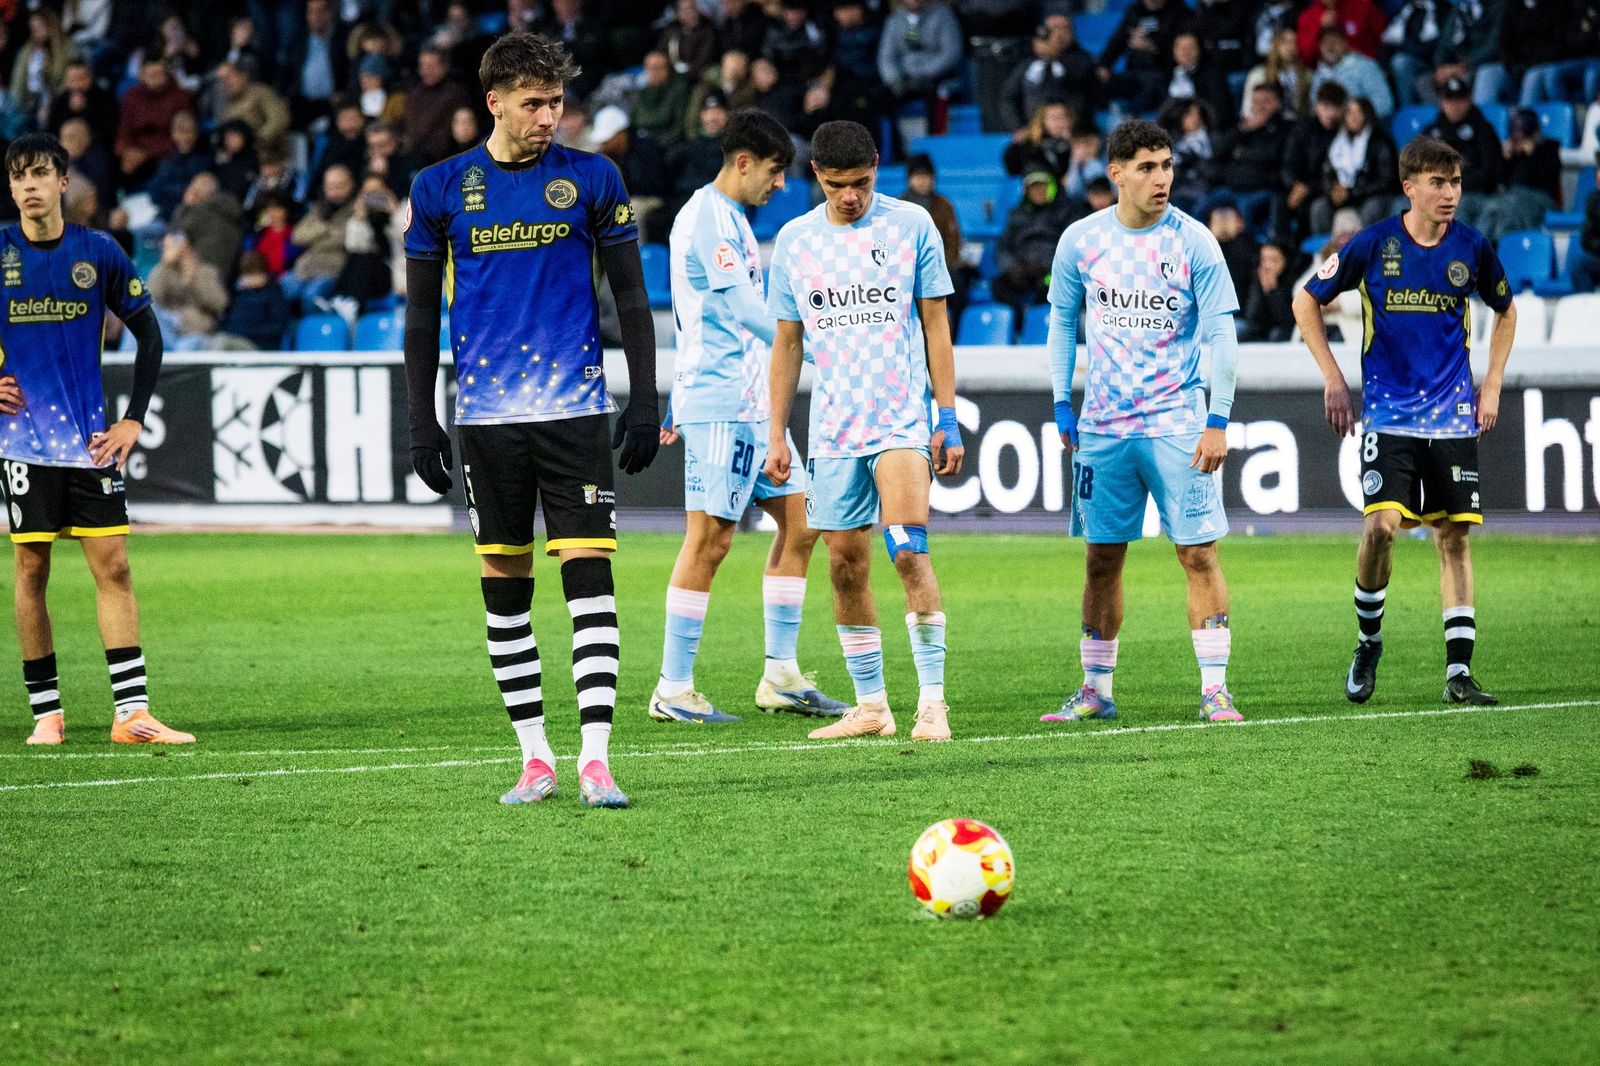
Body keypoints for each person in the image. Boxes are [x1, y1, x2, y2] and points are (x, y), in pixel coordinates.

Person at [404, 32, 658, 810]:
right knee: (505, 586)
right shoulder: (441, 188)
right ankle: (535, 758)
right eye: (534, 103)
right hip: (487, 421)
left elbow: (630, 296)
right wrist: (421, 419)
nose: (550, 117)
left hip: (575, 412)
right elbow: (420, 316)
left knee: (590, 579)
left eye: (556, 102)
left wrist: (644, 398)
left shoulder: (592, 177)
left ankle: (596, 761)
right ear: (495, 102)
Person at [1292, 137, 1516, 706]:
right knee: (1380, 528)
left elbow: (1506, 309)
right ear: (1409, 187)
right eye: (1438, 183)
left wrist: (1491, 383)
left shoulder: (1472, 247)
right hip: (1389, 416)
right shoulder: (1374, 244)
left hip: (1452, 418)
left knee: (1454, 537)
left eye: (1456, 182)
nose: (1450, 193)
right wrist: (1333, 377)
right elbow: (1305, 301)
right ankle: (1369, 641)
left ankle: (1459, 674)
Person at [1039, 120, 1244, 726]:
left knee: (1198, 553)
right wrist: (1061, 400)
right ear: (1116, 174)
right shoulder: (1081, 241)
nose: (1162, 179)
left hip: (1178, 423)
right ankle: (1095, 690)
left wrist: (1217, 418)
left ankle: (1215, 691)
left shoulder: (1195, 243)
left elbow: (1223, 335)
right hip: (1104, 427)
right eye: (1148, 168)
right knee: (1101, 558)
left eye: (1167, 165)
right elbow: (1062, 322)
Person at [765, 119, 963, 743]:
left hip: (900, 420)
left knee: (907, 549)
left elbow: (935, 325)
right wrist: (775, 432)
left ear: (878, 167)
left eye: (861, 182)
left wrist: (947, 416)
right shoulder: (795, 241)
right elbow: (787, 342)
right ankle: (872, 706)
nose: (849, 196)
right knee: (844, 565)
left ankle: (932, 703)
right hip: (833, 431)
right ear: (816, 176)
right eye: (836, 185)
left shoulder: (911, 225)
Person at [649, 110, 848, 725]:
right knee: (710, 539)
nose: (781, 183)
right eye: (774, 170)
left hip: (751, 401)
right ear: (743, 162)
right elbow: (742, 310)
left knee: (803, 519)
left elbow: (723, 314)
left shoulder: (731, 218)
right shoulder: (708, 217)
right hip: (720, 402)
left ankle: (781, 676)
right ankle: (672, 688)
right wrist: (822, 345)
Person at [0, 132, 191, 746]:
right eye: (18, 176)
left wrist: (133, 418)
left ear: (63, 182)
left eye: (39, 173)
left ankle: (131, 715)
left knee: (115, 565)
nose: (28, 185)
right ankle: (47, 716)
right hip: (22, 442)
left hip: (90, 443)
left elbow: (149, 335)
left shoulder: (98, 251)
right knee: (31, 567)